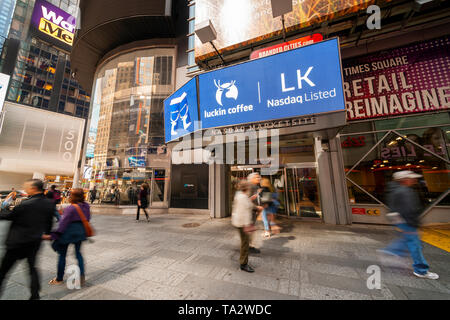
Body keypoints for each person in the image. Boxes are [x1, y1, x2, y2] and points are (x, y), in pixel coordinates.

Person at [0, 179, 54, 300]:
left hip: (16, 244)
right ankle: (35, 296)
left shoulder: (25, 205)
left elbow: (5, 216)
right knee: (32, 270)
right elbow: (49, 224)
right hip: (34, 243)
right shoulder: (49, 204)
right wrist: (46, 234)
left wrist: (4, 205)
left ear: (34, 189)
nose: (25, 190)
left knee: (3, 272)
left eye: (27, 187)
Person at [379, 170, 439, 280]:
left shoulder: (394, 189)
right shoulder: (405, 191)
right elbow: (409, 209)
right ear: (404, 180)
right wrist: (414, 222)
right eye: (412, 178)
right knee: (414, 245)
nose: (414, 180)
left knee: (408, 239)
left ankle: (391, 251)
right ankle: (421, 270)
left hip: (400, 220)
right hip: (407, 221)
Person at [44, 188, 91, 286]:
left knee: (62, 255)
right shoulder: (86, 206)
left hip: (68, 234)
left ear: (73, 196)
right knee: (78, 254)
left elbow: (63, 224)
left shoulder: (71, 208)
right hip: (80, 233)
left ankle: (59, 278)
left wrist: (54, 234)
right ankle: (81, 277)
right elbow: (88, 218)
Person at [231, 181, 256, 273]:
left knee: (245, 242)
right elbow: (244, 212)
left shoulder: (240, 195)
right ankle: (243, 264)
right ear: (247, 188)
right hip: (242, 224)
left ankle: (243, 262)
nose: (250, 188)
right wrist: (247, 225)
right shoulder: (242, 197)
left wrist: (250, 200)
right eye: (249, 187)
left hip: (240, 222)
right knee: (245, 244)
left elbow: (245, 205)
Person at [247, 172, 263, 253]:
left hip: (254, 212)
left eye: (259, 177)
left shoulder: (256, 187)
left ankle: (249, 246)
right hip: (249, 213)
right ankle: (247, 247)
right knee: (249, 230)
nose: (259, 178)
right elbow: (246, 201)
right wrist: (257, 207)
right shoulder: (249, 187)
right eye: (257, 177)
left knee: (251, 230)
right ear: (251, 179)